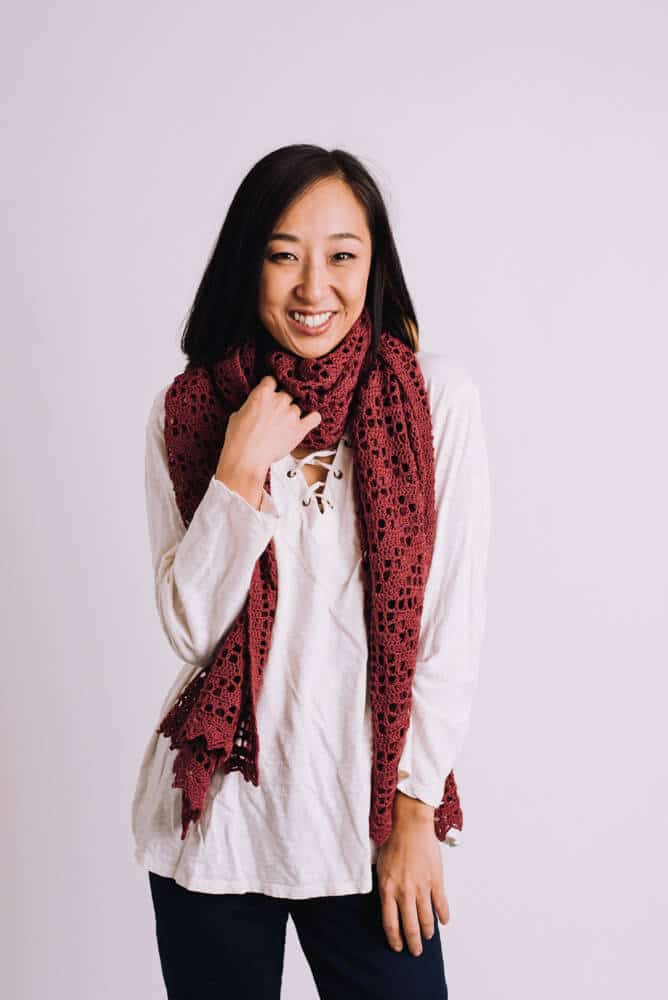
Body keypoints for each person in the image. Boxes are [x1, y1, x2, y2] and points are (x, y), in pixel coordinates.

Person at [131, 144, 491, 1000]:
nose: (313, 287)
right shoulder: (189, 412)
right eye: (283, 254)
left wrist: (413, 813)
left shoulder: (437, 401)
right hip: (214, 831)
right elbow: (189, 625)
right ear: (247, 261)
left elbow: (450, 629)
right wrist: (238, 467)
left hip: (367, 831)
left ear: (374, 264)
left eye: (342, 255)